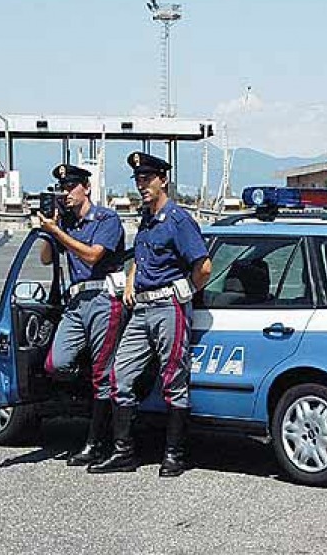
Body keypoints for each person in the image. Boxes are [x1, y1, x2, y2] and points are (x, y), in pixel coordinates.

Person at [88, 152, 212, 477]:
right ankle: (123, 453)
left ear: (163, 181)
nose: (142, 185)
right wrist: (131, 279)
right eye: (138, 180)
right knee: (120, 375)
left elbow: (204, 266)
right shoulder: (147, 219)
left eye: (147, 179)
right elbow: (141, 259)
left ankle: (174, 455)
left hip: (168, 306)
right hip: (142, 308)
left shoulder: (178, 220)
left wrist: (186, 290)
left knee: (173, 379)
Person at [38, 163, 128, 467]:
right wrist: (50, 230)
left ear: (86, 188)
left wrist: (58, 232)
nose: (66, 193)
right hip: (76, 300)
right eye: (62, 189)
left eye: (70, 187)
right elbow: (45, 258)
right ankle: (85, 397)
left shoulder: (106, 219)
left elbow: (92, 255)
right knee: (56, 362)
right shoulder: (66, 223)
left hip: (103, 296)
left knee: (103, 374)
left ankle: (96, 442)